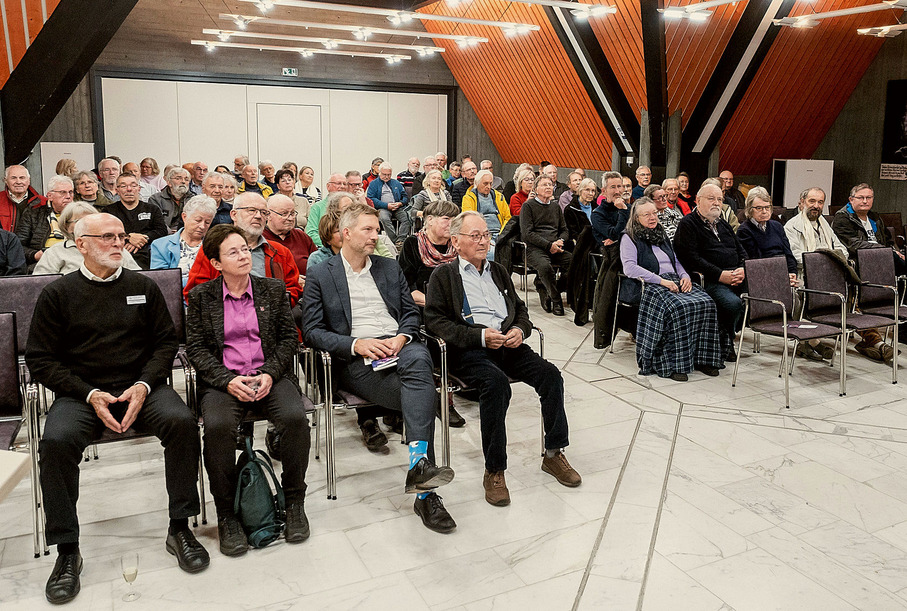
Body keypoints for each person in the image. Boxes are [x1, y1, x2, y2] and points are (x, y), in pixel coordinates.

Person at [26, 213, 209, 604]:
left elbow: (165, 343)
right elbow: (41, 360)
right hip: (82, 392)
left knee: (181, 423)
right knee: (55, 442)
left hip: (141, 385)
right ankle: (66, 550)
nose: (118, 243)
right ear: (81, 244)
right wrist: (89, 393)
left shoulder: (142, 286)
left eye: (121, 236)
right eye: (107, 237)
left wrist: (144, 385)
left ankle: (179, 527)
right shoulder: (58, 294)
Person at [302, 203, 458, 533]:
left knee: (417, 356)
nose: (377, 235)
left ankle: (423, 483)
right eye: (369, 230)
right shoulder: (322, 273)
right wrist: (356, 345)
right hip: (358, 360)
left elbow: (410, 314)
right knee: (424, 397)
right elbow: (312, 331)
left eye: (377, 229)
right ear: (346, 233)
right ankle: (423, 479)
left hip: (398, 349)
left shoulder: (388, 268)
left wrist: (402, 337)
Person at [425, 211, 581, 506]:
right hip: (470, 350)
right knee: (496, 385)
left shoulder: (497, 270)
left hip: (507, 344)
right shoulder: (444, 276)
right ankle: (494, 469)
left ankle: (553, 453)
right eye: (476, 236)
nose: (484, 241)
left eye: (486, 235)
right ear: (456, 242)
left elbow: (520, 310)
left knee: (550, 375)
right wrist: (479, 337)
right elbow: (435, 322)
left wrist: (521, 330)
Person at [186, 224, 311, 556]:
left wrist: (270, 373)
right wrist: (227, 380)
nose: (243, 256)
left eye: (245, 249)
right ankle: (227, 514)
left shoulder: (270, 289)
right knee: (217, 427)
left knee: (295, 418)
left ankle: (294, 501)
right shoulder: (201, 297)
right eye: (233, 252)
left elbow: (288, 340)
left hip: (269, 374)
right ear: (215, 263)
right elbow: (196, 349)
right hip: (224, 381)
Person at [620, 199, 723, 381]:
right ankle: (674, 364)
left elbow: (675, 261)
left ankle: (704, 358)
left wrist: (685, 276)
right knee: (677, 308)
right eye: (647, 215)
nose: (653, 217)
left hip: (674, 279)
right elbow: (629, 268)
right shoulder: (629, 237)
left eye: (654, 213)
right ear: (636, 218)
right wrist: (661, 281)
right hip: (650, 284)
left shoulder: (662, 234)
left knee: (707, 303)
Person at [783, 187, 866, 362]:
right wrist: (823, 261)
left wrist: (825, 260)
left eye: (820, 202)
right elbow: (795, 256)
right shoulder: (792, 226)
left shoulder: (825, 224)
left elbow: (841, 249)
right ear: (802, 202)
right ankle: (812, 342)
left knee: (854, 287)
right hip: (804, 276)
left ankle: (811, 342)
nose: (816, 206)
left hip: (828, 276)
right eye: (812, 201)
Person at [184, 192, 302, 308]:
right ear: (234, 214)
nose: (258, 216)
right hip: (223, 320)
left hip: (271, 319)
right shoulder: (213, 248)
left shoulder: (281, 252)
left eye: (263, 212)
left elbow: (293, 290)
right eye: (251, 210)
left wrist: (266, 309)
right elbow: (194, 293)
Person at [673, 183, 746, 360]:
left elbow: (741, 251)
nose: (716, 203)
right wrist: (721, 275)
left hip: (735, 276)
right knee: (733, 304)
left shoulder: (724, 224)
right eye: (711, 199)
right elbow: (691, 258)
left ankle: (724, 333)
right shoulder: (688, 224)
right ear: (698, 200)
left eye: (720, 199)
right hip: (708, 279)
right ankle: (725, 338)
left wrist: (743, 269)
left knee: (761, 296)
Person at [34, 202, 140, 275]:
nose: (87, 224)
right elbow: (40, 283)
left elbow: (138, 277)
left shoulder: (116, 248)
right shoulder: (55, 252)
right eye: (80, 221)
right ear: (66, 226)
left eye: (91, 220)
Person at [520, 175, 571, 316]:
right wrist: (549, 245)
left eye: (550, 184)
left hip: (555, 247)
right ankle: (556, 300)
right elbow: (527, 234)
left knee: (576, 263)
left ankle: (549, 290)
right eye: (544, 185)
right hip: (534, 249)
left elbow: (564, 230)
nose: (549, 187)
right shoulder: (528, 206)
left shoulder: (555, 206)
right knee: (544, 266)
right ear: (536, 189)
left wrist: (561, 240)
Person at [150, 195, 216, 286]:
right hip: (173, 296)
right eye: (198, 220)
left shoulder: (214, 246)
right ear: (184, 217)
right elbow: (161, 280)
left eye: (207, 222)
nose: (202, 226)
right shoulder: (160, 245)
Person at [735, 187, 797, 283]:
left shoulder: (777, 226)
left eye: (767, 207)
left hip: (783, 274)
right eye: (759, 208)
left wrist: (792, 273)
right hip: (761, 277)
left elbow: (788, 254)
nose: (764, 211)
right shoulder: (744, 230)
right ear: (749, 209)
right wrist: (782, 276)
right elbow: (757, 261)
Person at [107, 173, 168, 269]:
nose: (129, 189)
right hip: (120, 254)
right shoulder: (109, 211)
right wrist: (128, 237)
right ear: (117, 190)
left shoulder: (152, 209)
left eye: (133, 185)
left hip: (149, 254)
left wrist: (143, 239)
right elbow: (106, 234)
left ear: (139, 189)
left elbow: (162, 231)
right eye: (123, 186)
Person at [16, 175, 73, 272]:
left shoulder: (80, 214)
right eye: (62, 192)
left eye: (71, 192)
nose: (68, 196)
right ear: (50, 196)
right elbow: (18, 246)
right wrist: (34, 255)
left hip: (72, 259)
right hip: (43, 260)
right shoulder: (33, 214)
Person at [264, 193, 317, 276]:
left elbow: (318, 264)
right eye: (284, 214)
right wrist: (293, 280)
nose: (291, 218)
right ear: (268, 215)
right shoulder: (260, 239)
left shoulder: (302, 237)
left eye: (292, 213)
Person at [366, 162, 411, 245]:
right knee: (384, 218)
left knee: (407, 218)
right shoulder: (373, 184)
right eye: (384, 174)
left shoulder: (396, 183)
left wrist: (400, 203)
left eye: (389, 174)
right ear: (379, 173)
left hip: (397, 207)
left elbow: (405, 197)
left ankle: (400, 240)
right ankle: (394, 240)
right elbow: (371, 199)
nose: (387, 177)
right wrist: (386, 205)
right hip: (383, 208)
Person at [305, 173, 349, 246]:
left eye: (344, 184)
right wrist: (331, 244)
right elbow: (311, 233)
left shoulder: (352, 206)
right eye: (338, 183)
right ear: (328, 186)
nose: (342, 186)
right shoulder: (317, 207)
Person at [0, 164, 45, 232]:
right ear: (6, 181)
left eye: (22, 178)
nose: (18, 182)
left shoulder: (42, 202)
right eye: (13, 178)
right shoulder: (0, 199)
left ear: (29, 181)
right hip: (6, 242)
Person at [591, 171, 630, 250]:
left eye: (619, 186)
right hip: (611, 256)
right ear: (604, 191)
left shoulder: (629, 208)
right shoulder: (597, 214)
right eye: (613, 187)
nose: (617, 191)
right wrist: (623, 211)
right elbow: (614, 234)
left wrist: (616, 240)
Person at [564, 177, 598, 244]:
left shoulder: (597, 208)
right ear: (580, 190)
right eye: (587, 190)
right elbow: (572, 233)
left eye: (593, 191)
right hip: (581, 244)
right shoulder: (570, 209)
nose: (590, 193)